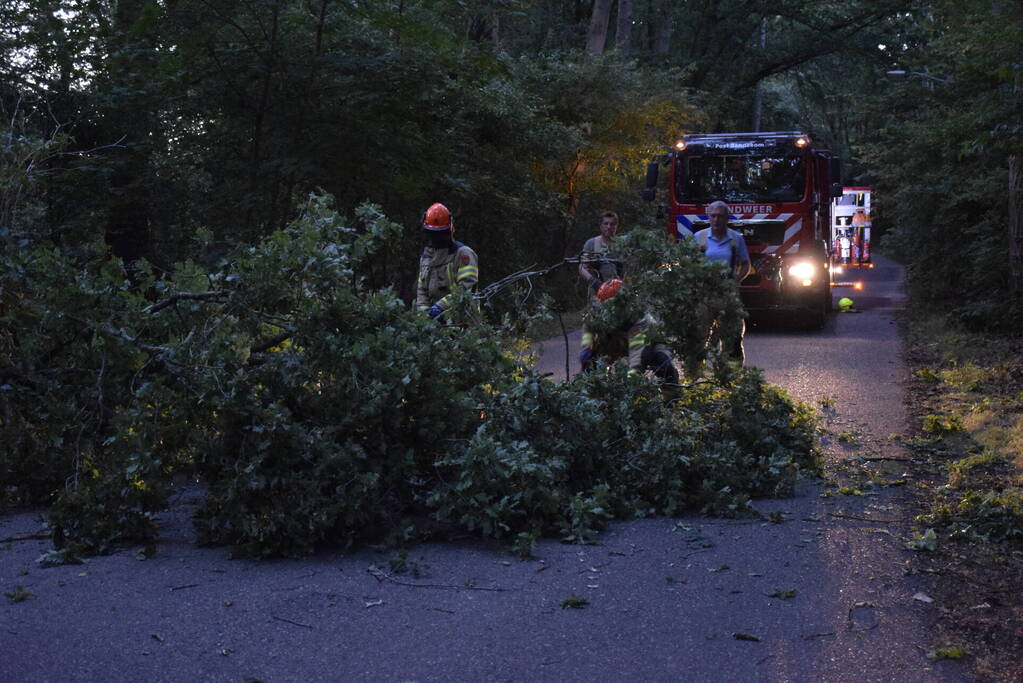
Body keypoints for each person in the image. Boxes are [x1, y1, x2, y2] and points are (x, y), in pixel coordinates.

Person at [579, 279, 678, 385]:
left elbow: (637, 355)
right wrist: (588, 348)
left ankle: (671, 396)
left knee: (664, 364)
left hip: (648, 345)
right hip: (619, 344)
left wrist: (630, 382)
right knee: (588, 358)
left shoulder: (639, 319)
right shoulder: (599, 314)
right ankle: (589, 388)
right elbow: (588, 329)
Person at [690, 200, 751, 364]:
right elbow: (689, 264)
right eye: (713, 216)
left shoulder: (736, 239)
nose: (716, 220)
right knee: (699, 335)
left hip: (727, 294)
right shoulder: (699, 237)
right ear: (709, 217)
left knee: (732, 335)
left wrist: (737, 280)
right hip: (705, 294)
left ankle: (730, 375)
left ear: (727, 219)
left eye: (720, 216)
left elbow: (746, 264)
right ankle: (694, 373)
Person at [415, 202, 479, 322]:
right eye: (433, 233)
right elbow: (421, 290)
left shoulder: (463, 254)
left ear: (449, 230)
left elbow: (465, 287)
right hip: (436, 325)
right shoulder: (426, 257)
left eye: (440, 233)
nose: (436, 238)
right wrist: (423, 317)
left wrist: (440, 307)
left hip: (462, 323)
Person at [578, 211, 622, 296]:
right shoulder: (592, 243)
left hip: (618, 290)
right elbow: (582, 267)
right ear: (601, 226)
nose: (609, 227)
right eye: (606, 223)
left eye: (612, 224)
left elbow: (627, 267)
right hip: (598, 291)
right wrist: (594, 282)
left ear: (616, 226)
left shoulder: (621, 245)